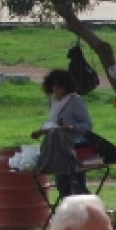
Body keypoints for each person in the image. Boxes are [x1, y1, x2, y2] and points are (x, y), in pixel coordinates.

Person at [35, 70, 95, 200]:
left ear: (66, 86)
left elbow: (87, 125)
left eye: (59, 86)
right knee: (61, 184)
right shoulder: (53, 102)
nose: (56, 89)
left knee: (78, 185)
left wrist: (71, 127)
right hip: (57, 148)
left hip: (73, 147)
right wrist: (41, 132)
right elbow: (52, 124)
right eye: (53, 86)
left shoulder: (75, 101)